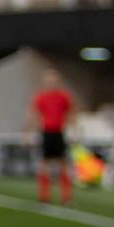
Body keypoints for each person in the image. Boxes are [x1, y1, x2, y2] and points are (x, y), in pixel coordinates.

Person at [30, 69, 76, 204]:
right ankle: (44, 197)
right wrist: (29, 132)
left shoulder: (64, 96)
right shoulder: (41, 97)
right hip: (46, 132)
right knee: (44, 165)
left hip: (59, 132)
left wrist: (75, 130)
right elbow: (34, 115)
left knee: (63, 164)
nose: (51, 83)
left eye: (54, 80)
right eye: (49, 80)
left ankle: (66, 197)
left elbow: (72, 113)